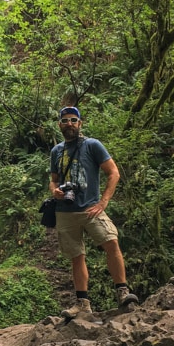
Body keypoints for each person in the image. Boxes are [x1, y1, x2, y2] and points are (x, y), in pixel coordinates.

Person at [49, 105, 138, 320]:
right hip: (65, 211)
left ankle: (122, 292)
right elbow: (53, 180)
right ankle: (82, 304)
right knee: (76, 257)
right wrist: (55, 191)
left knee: (111, 242)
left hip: (91, 207)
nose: (69, 124)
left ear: (79, 123)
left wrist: (103, 202)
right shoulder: (56, 151)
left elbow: (113, 172)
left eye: (73, 120)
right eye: (65, 121)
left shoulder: (92, 145)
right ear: (60, 125)